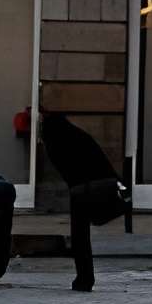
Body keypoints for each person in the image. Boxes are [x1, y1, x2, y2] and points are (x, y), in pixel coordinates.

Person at [40, 110, 124, 292]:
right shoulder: (80, 135)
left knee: (80, 237)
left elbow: (68, 171)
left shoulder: (56, 142)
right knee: (81, 237)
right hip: (98, 185)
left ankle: (84, 278)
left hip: (82, 190)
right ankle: (85, 278)